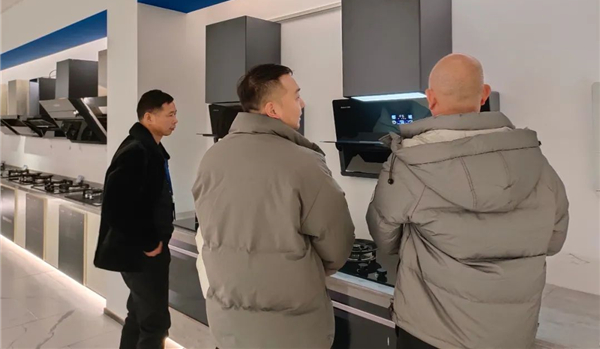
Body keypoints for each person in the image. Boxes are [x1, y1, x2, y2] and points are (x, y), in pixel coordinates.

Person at [367, 54, 569, 349]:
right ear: (484, 94)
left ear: (430, 98)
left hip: (430, 332)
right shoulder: (538, 162)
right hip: (511, 334)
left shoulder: (409, 163)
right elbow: (554, 240)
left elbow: (384, 237)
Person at [192, 64, 355, 349]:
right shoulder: (304, 163)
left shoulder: (211, 159)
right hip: (291, 333)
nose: (302, 103)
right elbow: (338, 246)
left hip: (228, 328)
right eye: (296, 96)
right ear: (273, 109)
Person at [94, 90, 178, 349]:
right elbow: (117, 207)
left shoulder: (150, 148)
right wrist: (149, 243)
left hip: (145, 250)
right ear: (149, 117)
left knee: (139, 315)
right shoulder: (137, 150)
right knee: (155, 323)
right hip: (143, 253)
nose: (175, 120)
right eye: (170, 114)